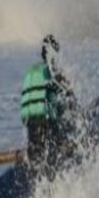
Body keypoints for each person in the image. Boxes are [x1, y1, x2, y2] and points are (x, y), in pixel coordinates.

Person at [20, 34, 80, 178]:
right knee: (54, 160)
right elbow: (71, 104)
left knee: (38, 163)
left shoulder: (32, 72)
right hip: (47, 125)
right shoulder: (55, 74)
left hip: (31, 127)